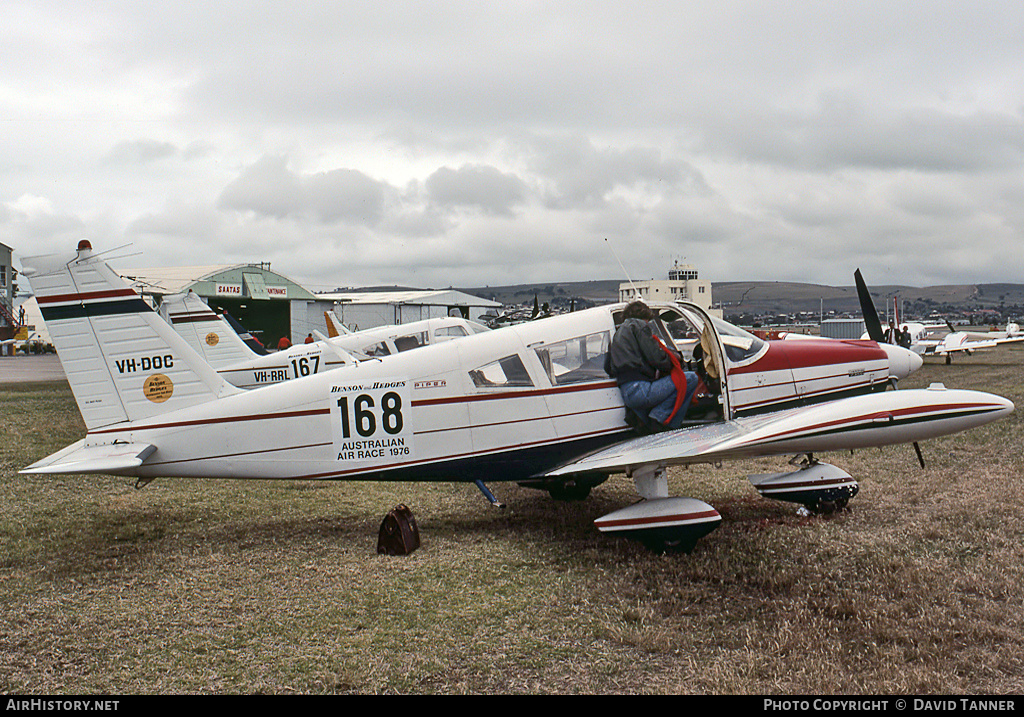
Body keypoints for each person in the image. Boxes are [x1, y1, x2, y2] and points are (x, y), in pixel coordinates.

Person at [605, 301, 699, 432]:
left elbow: (608, 367)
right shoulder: (639, 326)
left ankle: (654, 419)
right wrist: (673, 359)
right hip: (640, 390)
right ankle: (663, 421)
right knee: (691, 378)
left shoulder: (618, 334)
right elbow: (657, 359)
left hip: (627, 393)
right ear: (644, 316)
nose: (648, 324)